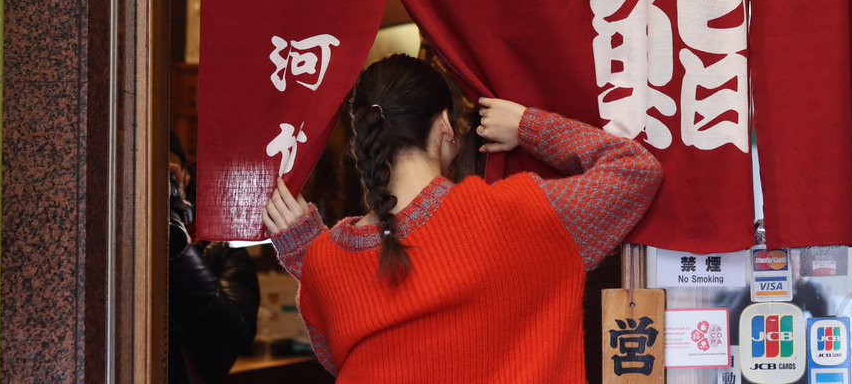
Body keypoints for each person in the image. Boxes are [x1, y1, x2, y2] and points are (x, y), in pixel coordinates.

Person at [262, 53, 663, 383]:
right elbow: (636, 170)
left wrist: (306, 254)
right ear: (444, 125)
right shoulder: (518, 214)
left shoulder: (325, 259)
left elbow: (340, 357)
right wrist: (527, 125)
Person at [169, 133, 260, 384]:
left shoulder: (221, 247)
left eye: (167, 172)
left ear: (185, 176)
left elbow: (238, 336)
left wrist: (179, 248)